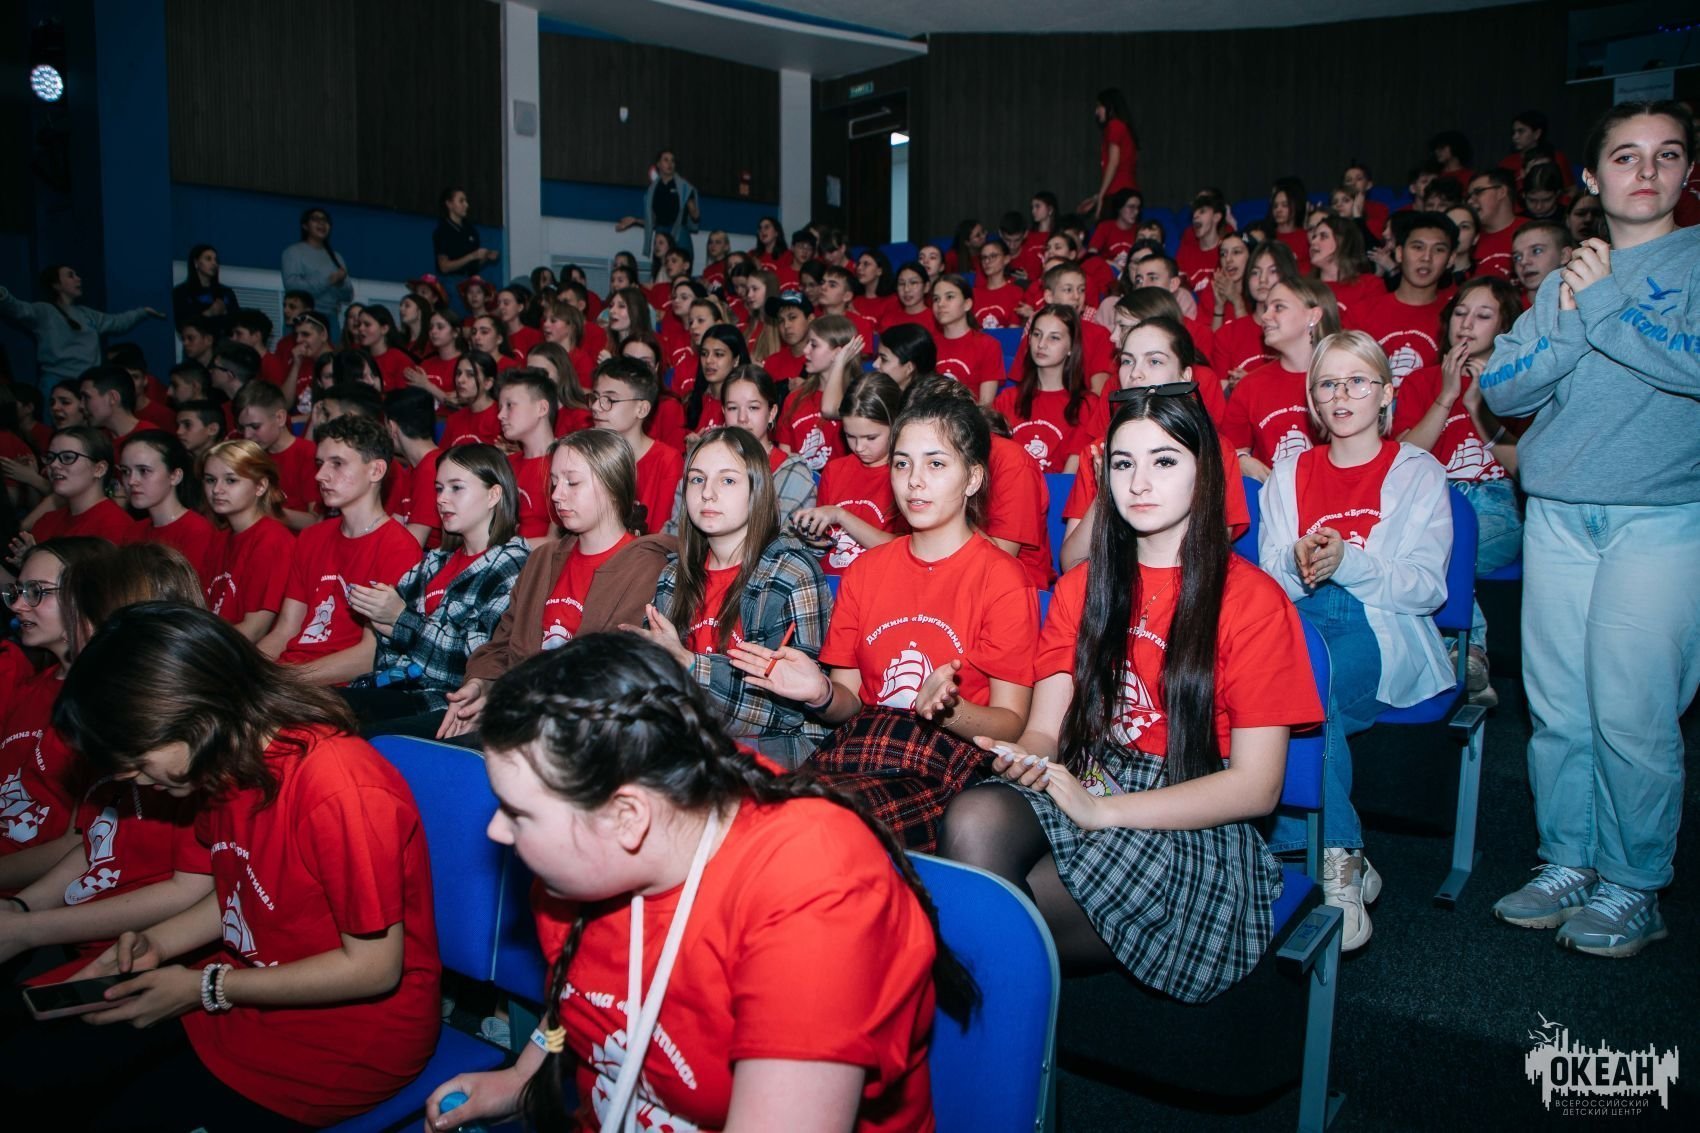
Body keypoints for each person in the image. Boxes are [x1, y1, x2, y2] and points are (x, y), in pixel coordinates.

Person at [420, 634, 971, 1133]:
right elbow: (583, 992)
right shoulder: (593, 851)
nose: (498, 831)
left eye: (519, 813)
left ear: (628, 818)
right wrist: (525, 1076)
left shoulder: (817, 890)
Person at [940, 387, 1320, 1000]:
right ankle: (1002, 1038)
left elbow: (1256, 787)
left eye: (1164, 461)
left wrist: (1105, 813)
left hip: (1194, 811)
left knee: (988, 919)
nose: (1139, 482)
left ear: (1205, 473)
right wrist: (1021, 756)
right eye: (1123, 463)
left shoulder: (1252, 601)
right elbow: (1045, 731)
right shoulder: (1082, 587)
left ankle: (994, 1041)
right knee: (974, 819)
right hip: (1093, 774)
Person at [4, 603, 440, 1128]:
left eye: (140, 762)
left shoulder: (338, 788)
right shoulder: (227, 763)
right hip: (244, 998)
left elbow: (373, 968)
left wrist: (207, 988)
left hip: (342, 1045)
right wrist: (157, 945)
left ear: (194, 716)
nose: (138, 782)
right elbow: (239, 890)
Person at [1481, 100, 1700, 958]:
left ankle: (1635, 883)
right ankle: (1568, 859)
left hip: (1660, 516)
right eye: (1626, 156)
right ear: (1592, 176)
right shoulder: (1560, 282)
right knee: (1562, 706)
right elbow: (1505, 388)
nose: (1646, 172)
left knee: (1633, 712)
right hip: (1560, 513)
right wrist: (1572, 316)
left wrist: (1603, 303)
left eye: (1667, 155)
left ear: (1688, 173)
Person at [733, 390, 1038, 852]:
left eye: (936, 464)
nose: (914, 481)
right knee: (761, 816)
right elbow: (850, 702)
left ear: (973, 478)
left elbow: (1012, 724)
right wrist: (819, 692)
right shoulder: (866, 570)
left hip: (946, 756)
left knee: (819, 831)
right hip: (862, 743)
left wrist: (949, 709)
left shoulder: (1002, 577)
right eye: (902, 464)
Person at [1259, 331, 1453, 950]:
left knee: (1305, 693)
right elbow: (1268, 579)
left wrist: (1349, 561)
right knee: (1260, 686)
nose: (1342, 395)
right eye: (1328, 384)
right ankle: (1338, 853)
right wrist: (1299, 561)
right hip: (1300, 619)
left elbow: (1427, 588)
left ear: (1386, 393)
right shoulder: (1287, 473)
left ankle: (1331, 856)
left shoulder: (1419, 472)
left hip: (1379, 622)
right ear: (1313, 400)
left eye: (1357, 382)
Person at [0, 542, 212, 986]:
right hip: (75, 924)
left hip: (136, 949)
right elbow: (94, 842)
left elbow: (195, 890)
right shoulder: (103, 709)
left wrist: (27, 926)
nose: (72, 631)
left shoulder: (184, 741)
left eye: (81, 616)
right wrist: (21, 911)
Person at [439, 429, 677, 740]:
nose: (556, 495)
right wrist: (481, 685)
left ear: (612, 486)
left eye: (572, 483)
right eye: (554, 482)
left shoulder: (648, 567)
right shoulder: (542, 559)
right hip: (523, 717)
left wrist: (511, 701)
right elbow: (502, 645)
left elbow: (616, 674)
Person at [634, 427, 832, 766]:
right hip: (689, 740)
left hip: (772, 751)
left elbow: (785, 712)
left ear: (757, 491)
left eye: (727, 481)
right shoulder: (672, 575)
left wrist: (688, 665)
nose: (707, 493)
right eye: (697, 479)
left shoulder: (791, 574)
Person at [1393, 275, 1523, 707]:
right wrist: (1447, 398)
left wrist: (1478, 408)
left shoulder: (1517, 380)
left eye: (1483, 316)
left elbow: (1524, 469)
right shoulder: (1421, 382)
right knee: (1427, 544)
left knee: (1441, 548)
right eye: (1461, 313)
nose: (1466, 324)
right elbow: (1404, 460)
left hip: (1494, 501)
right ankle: (1468, 658)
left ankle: (1468, 649)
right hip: (1434, 500)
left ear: (1504, 327)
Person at [340, 443, 530, 737]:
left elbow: (475, 663)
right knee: (306, 710)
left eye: (456, 488)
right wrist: (384, 621)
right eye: (439, 489)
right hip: (397, 690)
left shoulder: (512, 565)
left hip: (444, 705)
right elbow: (387, 653)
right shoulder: (434, 562)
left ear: (494, 495)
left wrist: (401, 622)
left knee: (355, 737)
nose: (442, 499)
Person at [1059, 318, 1251, 572]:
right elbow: (1071, 564)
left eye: (1155, 361)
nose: (1135, 373)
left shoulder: (1214, 449)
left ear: (1185, 375)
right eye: (1127, 361)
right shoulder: (1099, 452)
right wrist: (1105, 493)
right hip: (1114, 583)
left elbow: (1211, 556)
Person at [255, 415, 422, 685]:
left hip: (337, 688)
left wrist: (283, 679)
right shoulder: (311, 537)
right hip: (290, 677)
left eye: (337, 464)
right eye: (320, 463)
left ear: (376, 471)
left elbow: (370, 655)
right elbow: (285, 630)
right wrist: (244, 669)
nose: (320, 475)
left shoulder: (399, 547)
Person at [0, 538, 110, 867]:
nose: (18, 606)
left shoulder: (104, 702)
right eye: (18, 591)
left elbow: (78, 847)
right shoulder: (31, 687)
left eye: (36, 591)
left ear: (85, 599)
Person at [1221, 278, 1342, 479]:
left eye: (1278, 307)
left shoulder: (1344, 379)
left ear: (1313, 316)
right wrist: (1241, 460)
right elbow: (1226, 450)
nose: (1265, 316)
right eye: (1266, 308)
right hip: (1273, 494)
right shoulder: (1251, 385)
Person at [792, 372, 906, 577]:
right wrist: (814, 535)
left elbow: (903, 549)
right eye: (850, 436)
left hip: (879, 580)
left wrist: (841, 515)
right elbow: (827, 540)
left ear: (896, 425)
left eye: (871, 437)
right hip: (830, 580)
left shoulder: (906, 475)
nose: (859, 447)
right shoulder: (835, 470)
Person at [0, 265, 163, 386]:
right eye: (71, 275)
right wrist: (3, 295)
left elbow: (117, 322)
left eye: (77, 275)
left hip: (88, 383)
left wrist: (142, 312)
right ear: (56, 285)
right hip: (58, 384)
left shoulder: (87, 314)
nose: (78, 278)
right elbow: (18, 309)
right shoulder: (44, 311)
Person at [201, 438, 296, 643]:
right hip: (216, 643)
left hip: (244, 653)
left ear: (260, 486)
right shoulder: (219, 538)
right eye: (210, 480)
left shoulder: (272, 540)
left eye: (230, 480)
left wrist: (196, 649)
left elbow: (255, 630)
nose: (217, 489)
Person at [995, 304, 1104, 474]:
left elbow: (1069, 476)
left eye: (1054, 338)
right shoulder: (1007, 399)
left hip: (1057, 489)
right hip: (1011, 485)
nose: (1041, 344)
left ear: (1071, 347)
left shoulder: (1086, 405)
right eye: (1037, 334)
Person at [1350, 212, 1458, 381]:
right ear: (1399, 253)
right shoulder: (1361, 313)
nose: (1426, 258)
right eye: (1418, 247)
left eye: (1438, 250)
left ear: (1451, 259)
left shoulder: (1457, 318)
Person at [590, 357, 681, 536]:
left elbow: (660, 536)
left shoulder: (667, 460)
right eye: (595, 397)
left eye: (609, 399)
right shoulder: (589, 455)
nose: (595, 406)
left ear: (642, 409)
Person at [14, 427, 137, 548]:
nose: (54, 465)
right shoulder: (47, 521)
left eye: (68, 457)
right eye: (50, 457)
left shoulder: (116, 526)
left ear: (99, 469)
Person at [122, 431, 218, 585]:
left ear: (175, 476)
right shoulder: (133, 531)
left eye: (144, 471)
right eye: (125, 471)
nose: (131, 481)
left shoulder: (197, 531)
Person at [233, 381, 318, 530]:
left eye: (255, 426)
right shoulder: (248, 456)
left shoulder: (308, 453)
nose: (247, 435)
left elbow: (315, 521)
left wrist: (263, 511)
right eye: (242, 428)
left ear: (280, 418)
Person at [776, 315, 855, 472]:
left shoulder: (855, 397)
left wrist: (839, 364)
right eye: (807, 343)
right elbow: (784, 457)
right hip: (801, 483)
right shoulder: (794, 398)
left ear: (838, 353)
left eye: (813, 345)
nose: (805, 351)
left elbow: (830, 409)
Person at [496, 368, 562, 545]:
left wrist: (501, 551)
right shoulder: (506, 465)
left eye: (510, 405)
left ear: (542, 408)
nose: (500, 415)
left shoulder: (565, 464)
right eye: (500, 407)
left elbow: (557, 542)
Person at [615, 148, 701, 272]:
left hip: (679, 232)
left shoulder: (684, 187)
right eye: (666, 160)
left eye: (672, 161)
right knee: (660, 269)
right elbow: (653, 222)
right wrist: (635, 221)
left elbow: (696, 217)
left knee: (683, 268)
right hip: (661, 232)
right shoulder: (652, 190)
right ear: (658, 164)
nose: (670, 164)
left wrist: (692, 207)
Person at [381, 387, 444, 546]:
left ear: (392, 427)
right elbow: (394, 524)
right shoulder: (414, 468)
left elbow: (413, 543)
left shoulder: (432, 468)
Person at [930, 275, 1005, 402]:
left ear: (967, 304)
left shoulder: (988, 345)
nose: (940, 304)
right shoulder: (929, 344)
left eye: (949, 297)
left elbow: (985, 404)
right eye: (936, 299)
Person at [281, 207, 355, 328]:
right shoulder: (293, 252)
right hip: (302, 318)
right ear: (305, 226)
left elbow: (348, 295)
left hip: (331, 319)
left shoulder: (336, 257)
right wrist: (329, 281)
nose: (322, 223)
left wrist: (339, 284)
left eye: (325, 220)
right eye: (316, 219)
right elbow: (292, 288)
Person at [1464, 169, 1527, 280]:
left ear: (1501, 192)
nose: (1470, 201)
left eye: (1478, 192)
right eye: (1469, 196)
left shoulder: (1533, 231)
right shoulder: (1468, 237)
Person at [434, 187, 501, 280]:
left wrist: (486, 257)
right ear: (449, 204)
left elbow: (473, 266)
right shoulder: (443, 231)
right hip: (451, 280)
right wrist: (472, 256)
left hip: (470, 280)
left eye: (466, 201)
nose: (466, 205)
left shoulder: (470, 230)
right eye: (461, 201)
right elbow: (444, 267)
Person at [170, 244, 239, 334]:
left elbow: (238, 323)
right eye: (208, 259)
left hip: (223, 341)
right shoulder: (181, 292)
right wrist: (209, 313)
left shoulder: (226, 292)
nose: (214, 263)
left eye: (216, 260)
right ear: (196, 263)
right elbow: (181, 326)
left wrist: (225, 312)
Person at [441, 349, 502, 447]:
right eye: (458, 373)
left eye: (470, 375)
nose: (460, 380)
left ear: (488, 383)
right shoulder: (454, 419)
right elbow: (444, 454)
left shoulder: (501, 417)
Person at [1510, 220, 1573, 304]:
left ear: (1564, 255)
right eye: (1517, 257)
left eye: (1536, 251)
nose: (1523, 262)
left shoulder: (1585, 303)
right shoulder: (1510, 309)